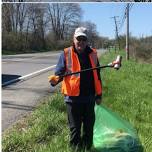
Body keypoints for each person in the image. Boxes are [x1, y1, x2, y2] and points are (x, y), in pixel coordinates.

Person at [49, 27, 102, 151]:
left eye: (84, 39)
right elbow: (59, 73)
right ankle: (75, 149)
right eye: (79, 38)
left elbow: (97, 76)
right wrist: (55, 79)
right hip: (72, 100)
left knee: (89, 128)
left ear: (87, 40)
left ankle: (87, 148)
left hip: (89, 98)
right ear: (74, 39)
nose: (81, 41)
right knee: (75, 129)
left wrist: (99, 95)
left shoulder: (93, 54)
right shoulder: (66, 53)